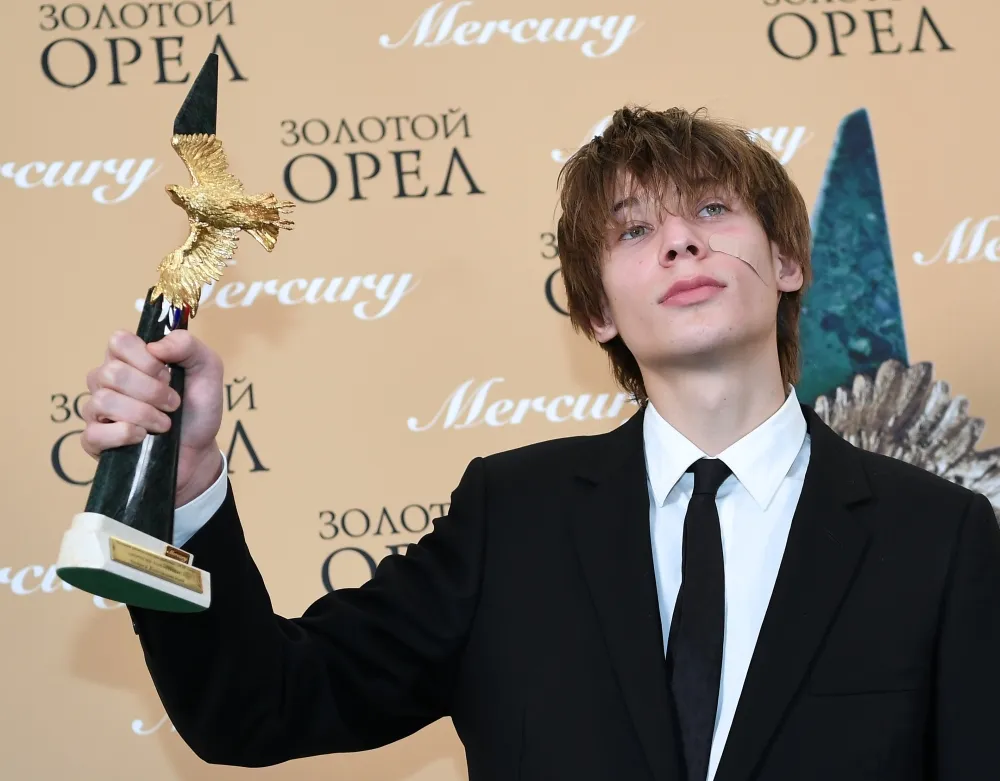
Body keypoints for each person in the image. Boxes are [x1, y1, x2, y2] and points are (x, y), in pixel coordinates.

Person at [80, 106, 1000, 781]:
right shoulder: (510, 517)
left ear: (789, 262)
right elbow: (258, 705)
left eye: (713, 210)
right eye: (634, 229)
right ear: (596, 312)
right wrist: (186, 486)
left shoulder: (941, 536)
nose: (680, 243)